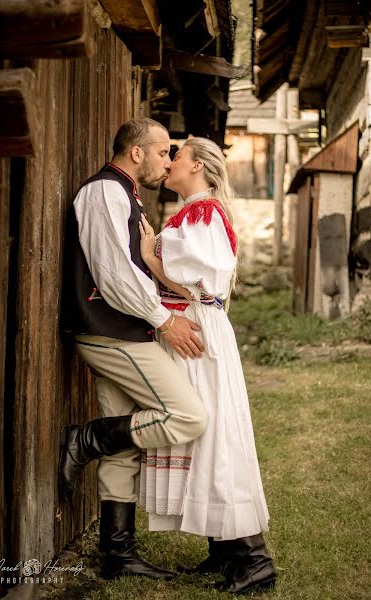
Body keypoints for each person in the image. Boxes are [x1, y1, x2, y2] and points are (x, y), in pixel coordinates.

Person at [58, 118, 209, 581]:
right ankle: (85, 439)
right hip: (109, 331)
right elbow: (114, 274)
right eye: (164, 152)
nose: (168, 161)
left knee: (125, 447)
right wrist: (165, 321)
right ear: (137, 152)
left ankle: (117, 556)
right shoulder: (105, 191)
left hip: (120, 329)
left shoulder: (125, 193)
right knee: (187, 416)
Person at [138, 137, 276, 595]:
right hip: (192, 325)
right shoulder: (192, 213)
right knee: (204, 435)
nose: (169, 162)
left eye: (175, 156)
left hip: (197, 326)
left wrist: (149, 258)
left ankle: (255, 559)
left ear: (196, 165)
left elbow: (195, 282)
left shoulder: (203, 213)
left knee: (216, 436)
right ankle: (226, 551)